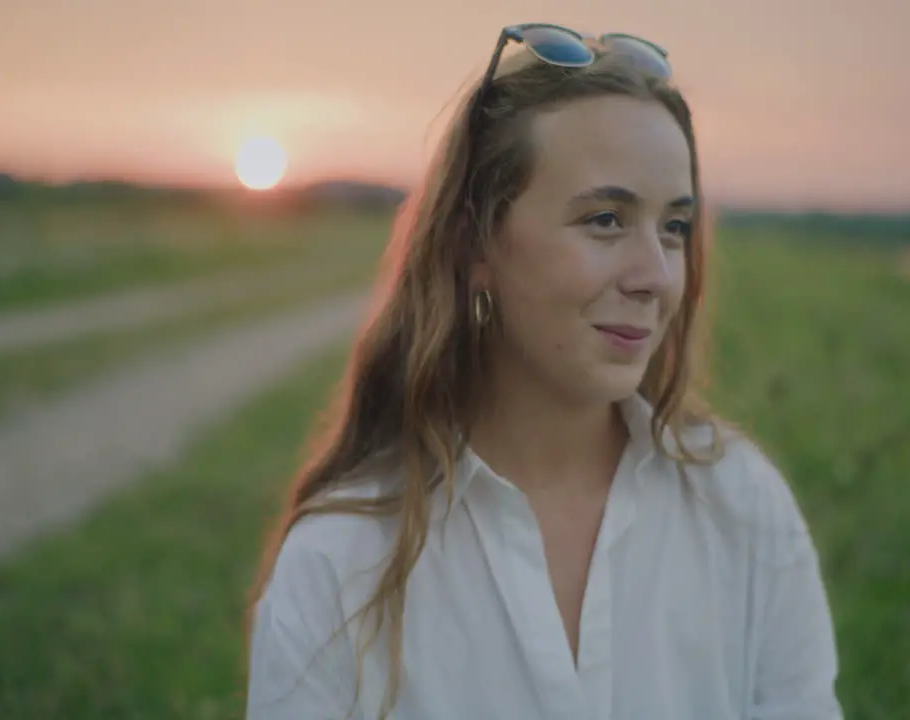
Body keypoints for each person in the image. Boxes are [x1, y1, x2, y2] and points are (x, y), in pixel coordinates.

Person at [245, 23, 842, 720]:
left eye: (673, 228)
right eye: (605, 220)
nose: (656, 276)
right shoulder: (341, 564)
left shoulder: (743, 508)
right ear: (475, 246)